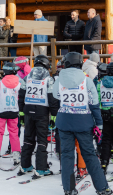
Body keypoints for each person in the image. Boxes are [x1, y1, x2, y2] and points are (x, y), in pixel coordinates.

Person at [52, 52, 111, 194]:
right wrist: (99, 124)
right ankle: (103, 188)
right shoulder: (87, 81)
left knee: (66, 155)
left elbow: (55, 95)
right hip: (83, 122)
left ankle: (69, 189)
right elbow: (94, 104)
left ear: (66, 63)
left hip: (64, 122)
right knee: (90, 154)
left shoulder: (59, 80)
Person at [18, 55, 58, 176]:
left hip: (28, 110)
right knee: (41, 140)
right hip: (42, 111)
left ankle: (25, 165)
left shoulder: (27, 77)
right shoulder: (48, 78)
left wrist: (21, 113)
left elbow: (21, 95)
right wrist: (53, 116)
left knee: (28, 139)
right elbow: (52, 97)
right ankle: (41, 168)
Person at [0, 62, 24, 166]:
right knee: (14, 133)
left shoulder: (0, 83)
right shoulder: (19, 84)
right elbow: (19, 98)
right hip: (13, 111)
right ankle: (17, 155)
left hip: (2, 111)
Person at [99, 62, 113, 174]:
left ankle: (103, 163)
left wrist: (102, 110)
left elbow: (97, 100)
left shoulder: (100, 83)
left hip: (105, 115)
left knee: (106, 140)